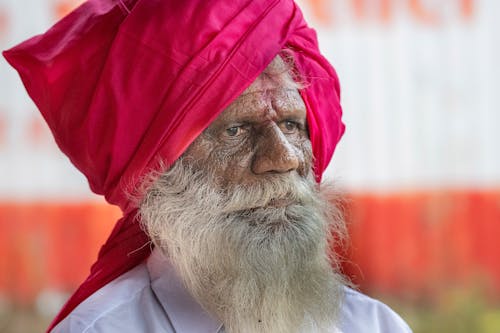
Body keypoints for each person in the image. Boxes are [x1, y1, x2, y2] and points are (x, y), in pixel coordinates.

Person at [4, 0, 412, 332]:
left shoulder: (372, 326)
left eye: (291, 124)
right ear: (158, 173)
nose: (284, 158)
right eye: (236, 130)